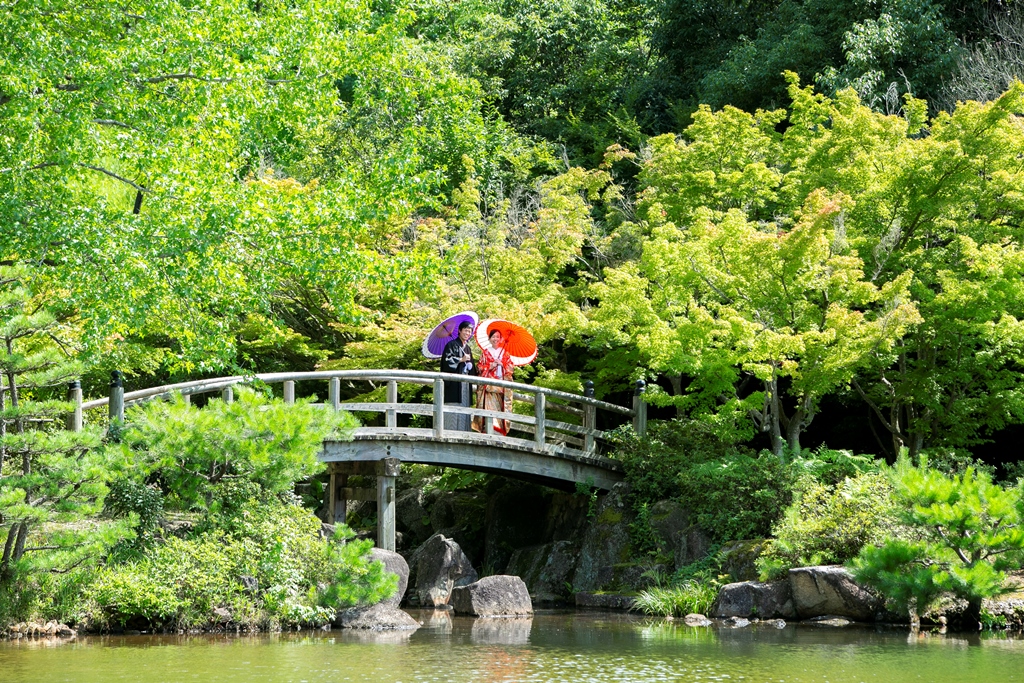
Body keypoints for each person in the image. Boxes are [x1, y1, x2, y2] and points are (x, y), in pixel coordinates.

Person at [472, 329, 515, 435]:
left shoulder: (505, 353)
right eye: (493, 337)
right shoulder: (485, 353)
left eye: (497, 337)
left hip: (501, 385)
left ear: (501, 339)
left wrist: (502, 364)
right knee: (489, 407)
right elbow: (479, 368)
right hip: (489, 386)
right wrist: (490, 366)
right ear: (489, 339)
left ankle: (499, 430)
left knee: (500, 408)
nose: (495, 339)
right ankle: (488, 428)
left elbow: (511, 369)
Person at [440, 321, 475, 431]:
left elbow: (472, 368)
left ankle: (464, 433)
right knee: (454, 409)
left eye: (469, 331)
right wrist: (460, 359)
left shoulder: (468, 348)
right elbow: (446, 362)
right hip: (454, 385)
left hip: (465, 384)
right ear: (459, 331)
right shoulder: (451, 345)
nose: (467, 333)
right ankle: (451, 433)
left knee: (465, 407)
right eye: (465, 330)